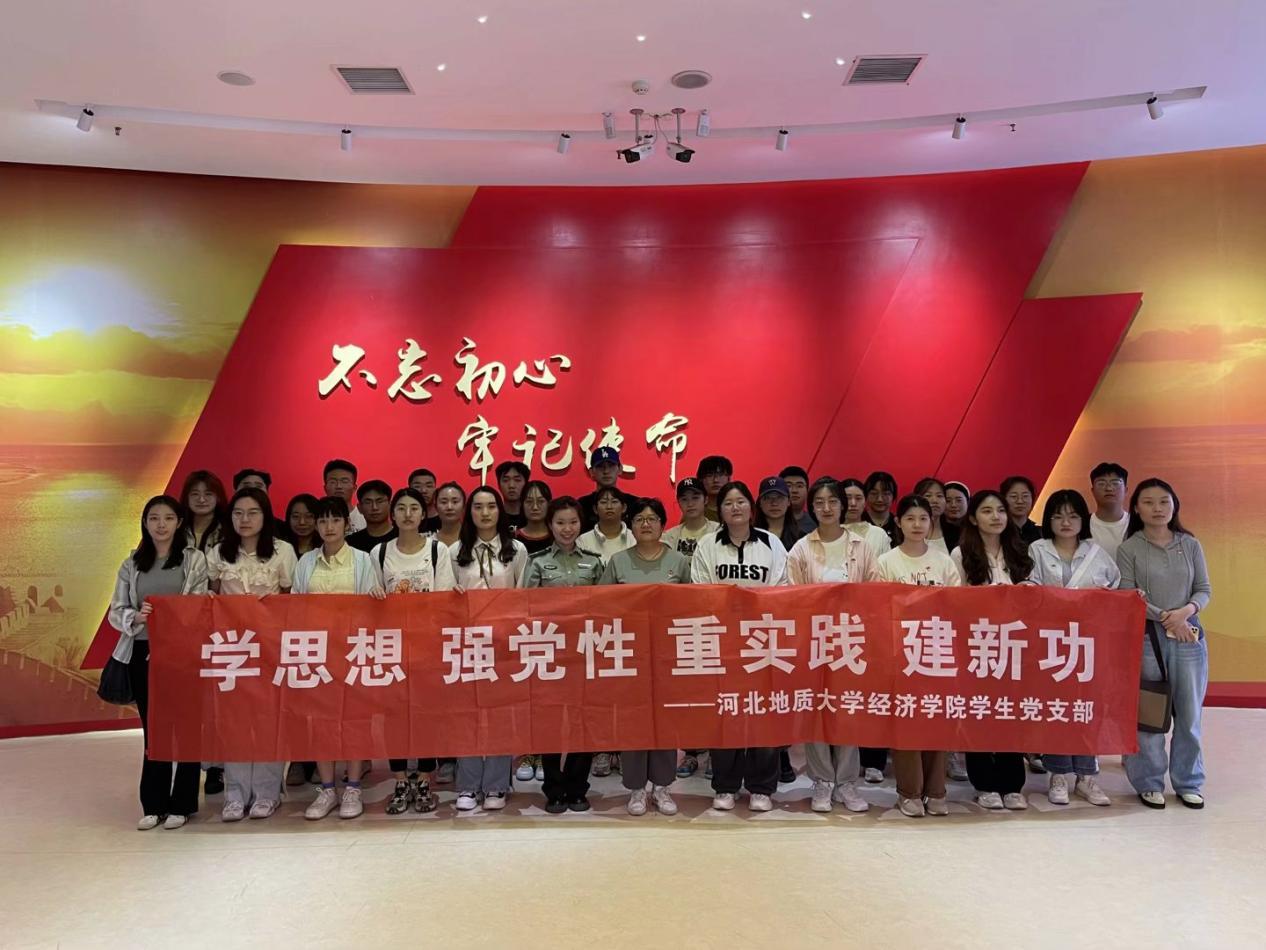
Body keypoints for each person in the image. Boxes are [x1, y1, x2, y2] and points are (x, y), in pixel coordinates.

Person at [108, 495, 209, 830]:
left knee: (187, 726)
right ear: (145, 523)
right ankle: (153, 803)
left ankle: (183, 804)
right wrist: (136, 617)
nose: (161, 524)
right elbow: (116, 610)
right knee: (154, 728)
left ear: (179, 522)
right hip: (142, 652)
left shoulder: (193, 560)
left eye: (168, 518)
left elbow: (198, 604)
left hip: (183, 653)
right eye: (154, 518)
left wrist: (169, 621)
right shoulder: (132, 563)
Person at [690, 481, 789, 813]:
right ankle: (726, 785)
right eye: (728, 503)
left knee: (763, 714)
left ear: (751, 507)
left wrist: (754, 611)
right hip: (723, 641)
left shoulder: (771, 543)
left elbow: (782, 587)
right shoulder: (708, 545)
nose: (735, 507)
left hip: (763, 641)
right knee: (727, 713)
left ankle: (761, 787)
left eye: (741, 501)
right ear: (720, 510)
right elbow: (701, 589)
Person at [1117, 478, 1212, 810]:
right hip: (1148, 639)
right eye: (1148, 502)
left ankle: (1188, 782)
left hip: (1189, 636)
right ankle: (1148, 782)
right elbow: (1128, 593)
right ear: (1136, 508)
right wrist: (1167, 617)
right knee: (1149, 714)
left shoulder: (1190, 544)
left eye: (1164, 501)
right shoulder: (1129, 548)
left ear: (1174, 506)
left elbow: (1204, 589)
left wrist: (1185, 613)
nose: (1157, 508)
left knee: (1189, 714)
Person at [292, 495, 385, 821]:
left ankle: (353, 786)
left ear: (347, 524)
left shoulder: (363, 560)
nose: (328, 527)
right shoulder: (306, 562)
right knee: (321, 722)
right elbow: (295, 606)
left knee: (355, 720)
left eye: (335, 520)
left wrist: (376, 597)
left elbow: (373, 605)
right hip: (317, 653)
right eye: (322, 520)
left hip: (352, 651)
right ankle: (327, 788)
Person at [206, 487, 297, 822]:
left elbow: (291, 597)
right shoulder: (218, 552)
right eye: (238, 513)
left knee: (269, 720)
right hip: (232, 649)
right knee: (234, 722)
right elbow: (210, 596)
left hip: (270, 647)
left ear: (265, 515)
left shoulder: (282, 551)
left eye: (252, 512)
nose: (244, 519)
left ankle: (268, 793)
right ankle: (235, 794)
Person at [786, 478, 877, 814]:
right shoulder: (801, 548)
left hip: (852, 640)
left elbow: (874, 591)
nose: (826, 508)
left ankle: (847, 781)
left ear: (843, 505)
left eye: (832, 501)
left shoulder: (862, 546)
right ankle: (822, 780)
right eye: (819, 502)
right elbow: (792, 595)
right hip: (814, 639)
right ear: (812, 507)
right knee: (817, 710)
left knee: (848, 708)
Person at [1027, 489, 1120, 807]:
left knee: (1087, 707)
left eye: (1072, 515)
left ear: (1083, 519)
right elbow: (1029, 587)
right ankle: (1057, 774)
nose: (1065, 522)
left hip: (1088, 642)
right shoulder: (1037, 550)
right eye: (1057, 516)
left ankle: (1086, 776)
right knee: (1056, 708)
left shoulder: (1096, 553)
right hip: (1051, 641)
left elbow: (1115, 586)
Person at [599, 497, 689, 815]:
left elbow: (693, 606)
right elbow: (601, 606)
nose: (646, 524)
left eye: (652, 519)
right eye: (639, 519)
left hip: (668, 655)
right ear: (631, 525)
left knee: (665, 721)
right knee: (633, 722)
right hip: (629, 655)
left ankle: (662, 787)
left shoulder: (679, 562)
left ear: (663, 525)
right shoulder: (618, 562)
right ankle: (636, 788)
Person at [876, 495, 962, 817]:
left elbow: (958, 605)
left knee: (937, 720)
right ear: (898, 522)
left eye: (923, 518)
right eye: (910, 518)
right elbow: (879, 608)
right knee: (906, 722)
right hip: (901, 653)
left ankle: (936, 790)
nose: (916, 525)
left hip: (938, 651)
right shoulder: (886, 562)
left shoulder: (944, 562)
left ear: (931, 522)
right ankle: (909, 792)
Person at [372, 487, 456, 815]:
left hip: (427, 646)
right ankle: (399, 780)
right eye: (401, 508)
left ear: (423, 514)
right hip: (391, 647)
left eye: (414, 508)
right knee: (394, 716)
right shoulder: (380, 552)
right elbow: (372, 600)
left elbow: (444, 598)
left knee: (426, 715)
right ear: (393, 515)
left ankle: (423, 779)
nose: (408, 514)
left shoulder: (437, 550)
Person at [950, 490, 1034, 811]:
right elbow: (953, 601)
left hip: (1015, 643)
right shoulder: (960, 554)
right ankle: (984, 783)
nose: (996, 517)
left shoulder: (1019, 551)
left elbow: (1036, 595)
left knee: (1011, 713)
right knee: (981, 712)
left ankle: (1012, 784)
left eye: (1000, 510)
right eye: (987, 511)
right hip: (977, 644)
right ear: (973, 518)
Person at [520, 496, 604, 810]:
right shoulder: (538, 562)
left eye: (572, 522)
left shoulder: (594, 562)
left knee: (584, 720)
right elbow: (524, 607)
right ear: (550, 525)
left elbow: (606, 607)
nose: (567, 529)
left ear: (581, 524)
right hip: (549, 653)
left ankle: (578, 787)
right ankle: (554, 789)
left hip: (585, 652)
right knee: (551, 722)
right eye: (560, 523)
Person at [450, 486, 528, 811]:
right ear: (469, 512)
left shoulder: (517, 549)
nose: (485, 513)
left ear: (500, 511)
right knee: (467, 714)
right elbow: (446, 598)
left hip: (503, 644)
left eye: (491, 506)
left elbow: (522, 596)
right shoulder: (454, 550)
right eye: (478, 507)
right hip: (466, 643)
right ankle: (468, 785)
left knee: (500, 714)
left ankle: (496, 784)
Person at [661, 477, 717, 561]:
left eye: (695, 498)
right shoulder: (667, 537)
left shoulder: (719, 531)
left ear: (706, 500)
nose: (690, 504)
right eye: (684, 499)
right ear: (679, 503)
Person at [577, 484, 635, 559]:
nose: (609, 507)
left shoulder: (634, 538)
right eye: (603, 502)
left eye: (614, 502)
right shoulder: (583, 540)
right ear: (595, 509)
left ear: (624, 508)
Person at [578, 447, 631, 529]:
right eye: (600, 466)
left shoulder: (633, 503)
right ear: (591, 472)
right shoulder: (581, 506)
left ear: (620, 469)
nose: (606, 471)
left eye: (611, 465)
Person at [841, 478, 892, 561]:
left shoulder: (879, 534)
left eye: (858, 498)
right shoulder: (830, 534)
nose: (853, 503)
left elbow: (887, 566)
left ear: (865, 502)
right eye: (847, 498)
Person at [1088, 462, 1130, 560]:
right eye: (1101, 484)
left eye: (1115, 483)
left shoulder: (1138, 524)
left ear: (1125, 490)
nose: (1109, 488)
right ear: (1093, 491)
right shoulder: (1081, 526)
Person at [180, 469, 228, 554]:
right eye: (195, 494)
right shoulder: (176, 528)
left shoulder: (229, 530)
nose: (201, 500)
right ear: (187, 498)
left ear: (218, 497)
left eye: (208, 494)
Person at [755, 476, 804, 551]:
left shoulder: (801, 538)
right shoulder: (750, 535)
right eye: (768, 498)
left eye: (780, 497)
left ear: (788, 502)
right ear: (760, 503)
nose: (774, 503)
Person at [346, 479, 397, 552]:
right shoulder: (350, 543)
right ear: (359, 508)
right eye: (368, 502)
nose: (374, 507)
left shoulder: (403, 537)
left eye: (379, 501)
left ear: (390, 505)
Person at [914, 477, 961, 555]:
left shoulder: (956, 533)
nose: (935, 500)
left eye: (939, 496)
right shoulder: (907, 531)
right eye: (928, 496)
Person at [323, 458, 365, 532]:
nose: (338, 486)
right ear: (325, 488)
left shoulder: (365, 519)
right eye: (333, 482)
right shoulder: (317, 519)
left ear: (354, 487)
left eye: (344, 481)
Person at [514, 479, 554, 554]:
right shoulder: (513, 539)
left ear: (549, 504)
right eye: (529, 501)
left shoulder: (557, 537)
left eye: (541, 501)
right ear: (522, 505)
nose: (535, 507)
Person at [1000, 475, 1042, 544]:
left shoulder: (1042, 534)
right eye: (1014, 496)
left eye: (1025, 496)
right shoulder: (997, 533)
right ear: (1003, 499)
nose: (1020, 501)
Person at [862, 470, 901, 545]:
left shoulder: (899, 525)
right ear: (865, 495)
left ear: (893, 496)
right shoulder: (859, 522)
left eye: (886, 494)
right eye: (874, 493)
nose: (880, 499)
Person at [780, 465, 817, 535]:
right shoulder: (770, 523)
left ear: (807, 490)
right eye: (788, 486)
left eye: (799, 486)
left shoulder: (817, 523)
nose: (794, 490)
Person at [696, 455, 733, 523]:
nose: (716, 480)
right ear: (701, 480)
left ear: (729, 478)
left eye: (720, 474)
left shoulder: (737, 509)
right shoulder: (695, 513)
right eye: (709, 475)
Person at [496, 460, 531, 530]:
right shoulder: (494, 516)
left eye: (517, 480)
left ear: (526, 484)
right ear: (498, 485)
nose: (511, 485)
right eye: (506, 480)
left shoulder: (533, 516)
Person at [432, 481, 466, 548]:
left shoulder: (474, 540)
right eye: (444, 502)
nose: (449, 507)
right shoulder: (428, 543)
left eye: (455, 502)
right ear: (435, 507)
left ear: (464, 506)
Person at [408, 467, 442, 533]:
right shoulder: (405, 518)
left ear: (435, 489)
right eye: (417, 486)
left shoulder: (445, 517)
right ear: (409, 489)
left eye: (429, 486)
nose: (423, 491)